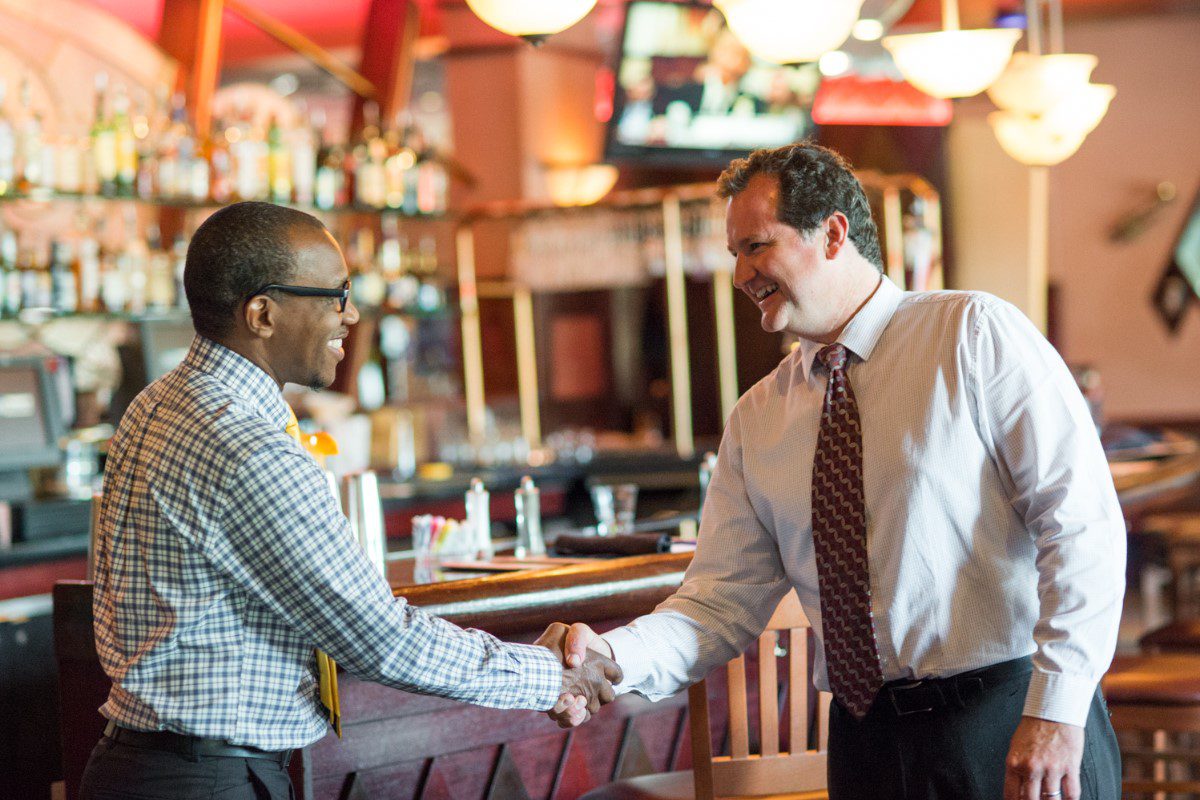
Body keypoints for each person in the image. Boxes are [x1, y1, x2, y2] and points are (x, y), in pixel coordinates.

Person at [549, 143, 1124, 800]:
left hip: (1006, 715)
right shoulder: (759, 417)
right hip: (864, 743)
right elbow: (715, 605)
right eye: (734, 252)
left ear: (832, 233)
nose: (740, 273)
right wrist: (611, 657)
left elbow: (1081, 529)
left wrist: (1056, 710)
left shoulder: (971, 333)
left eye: (756, 246)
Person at [80, 202, 620, 800]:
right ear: (262, 313)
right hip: (206, 780)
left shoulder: (156, 404)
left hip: (142, 765)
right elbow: (379, 639)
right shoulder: (249, 446)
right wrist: (547, 675)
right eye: (335, 295)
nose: (352, 314)